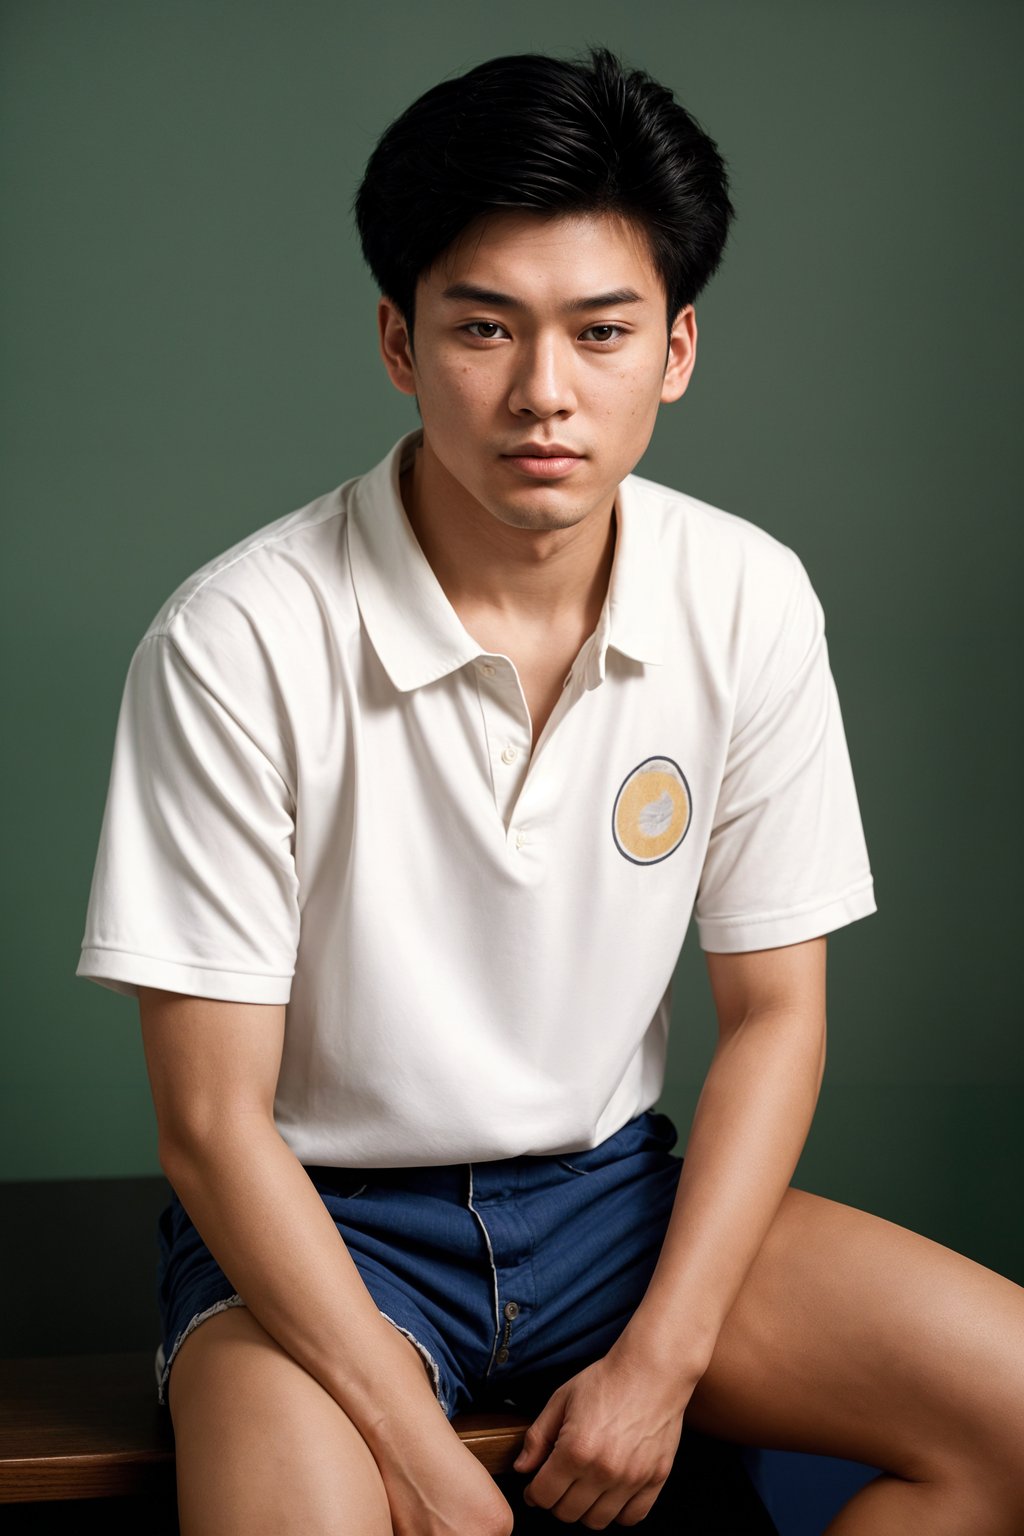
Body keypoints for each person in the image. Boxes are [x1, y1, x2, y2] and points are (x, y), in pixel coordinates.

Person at [76, 45, 1024, 1536]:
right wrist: (427, 1464)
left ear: (678, 349)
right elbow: (209, 1123)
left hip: (618, 1207)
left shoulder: (747, 596)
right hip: (325, 1233)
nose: (544, 395)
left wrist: (662, 1356)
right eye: (483, 329)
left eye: (600, 333)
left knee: (1015, 1415)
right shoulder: (237, 636)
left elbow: (777, 1016)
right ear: (398, 342)